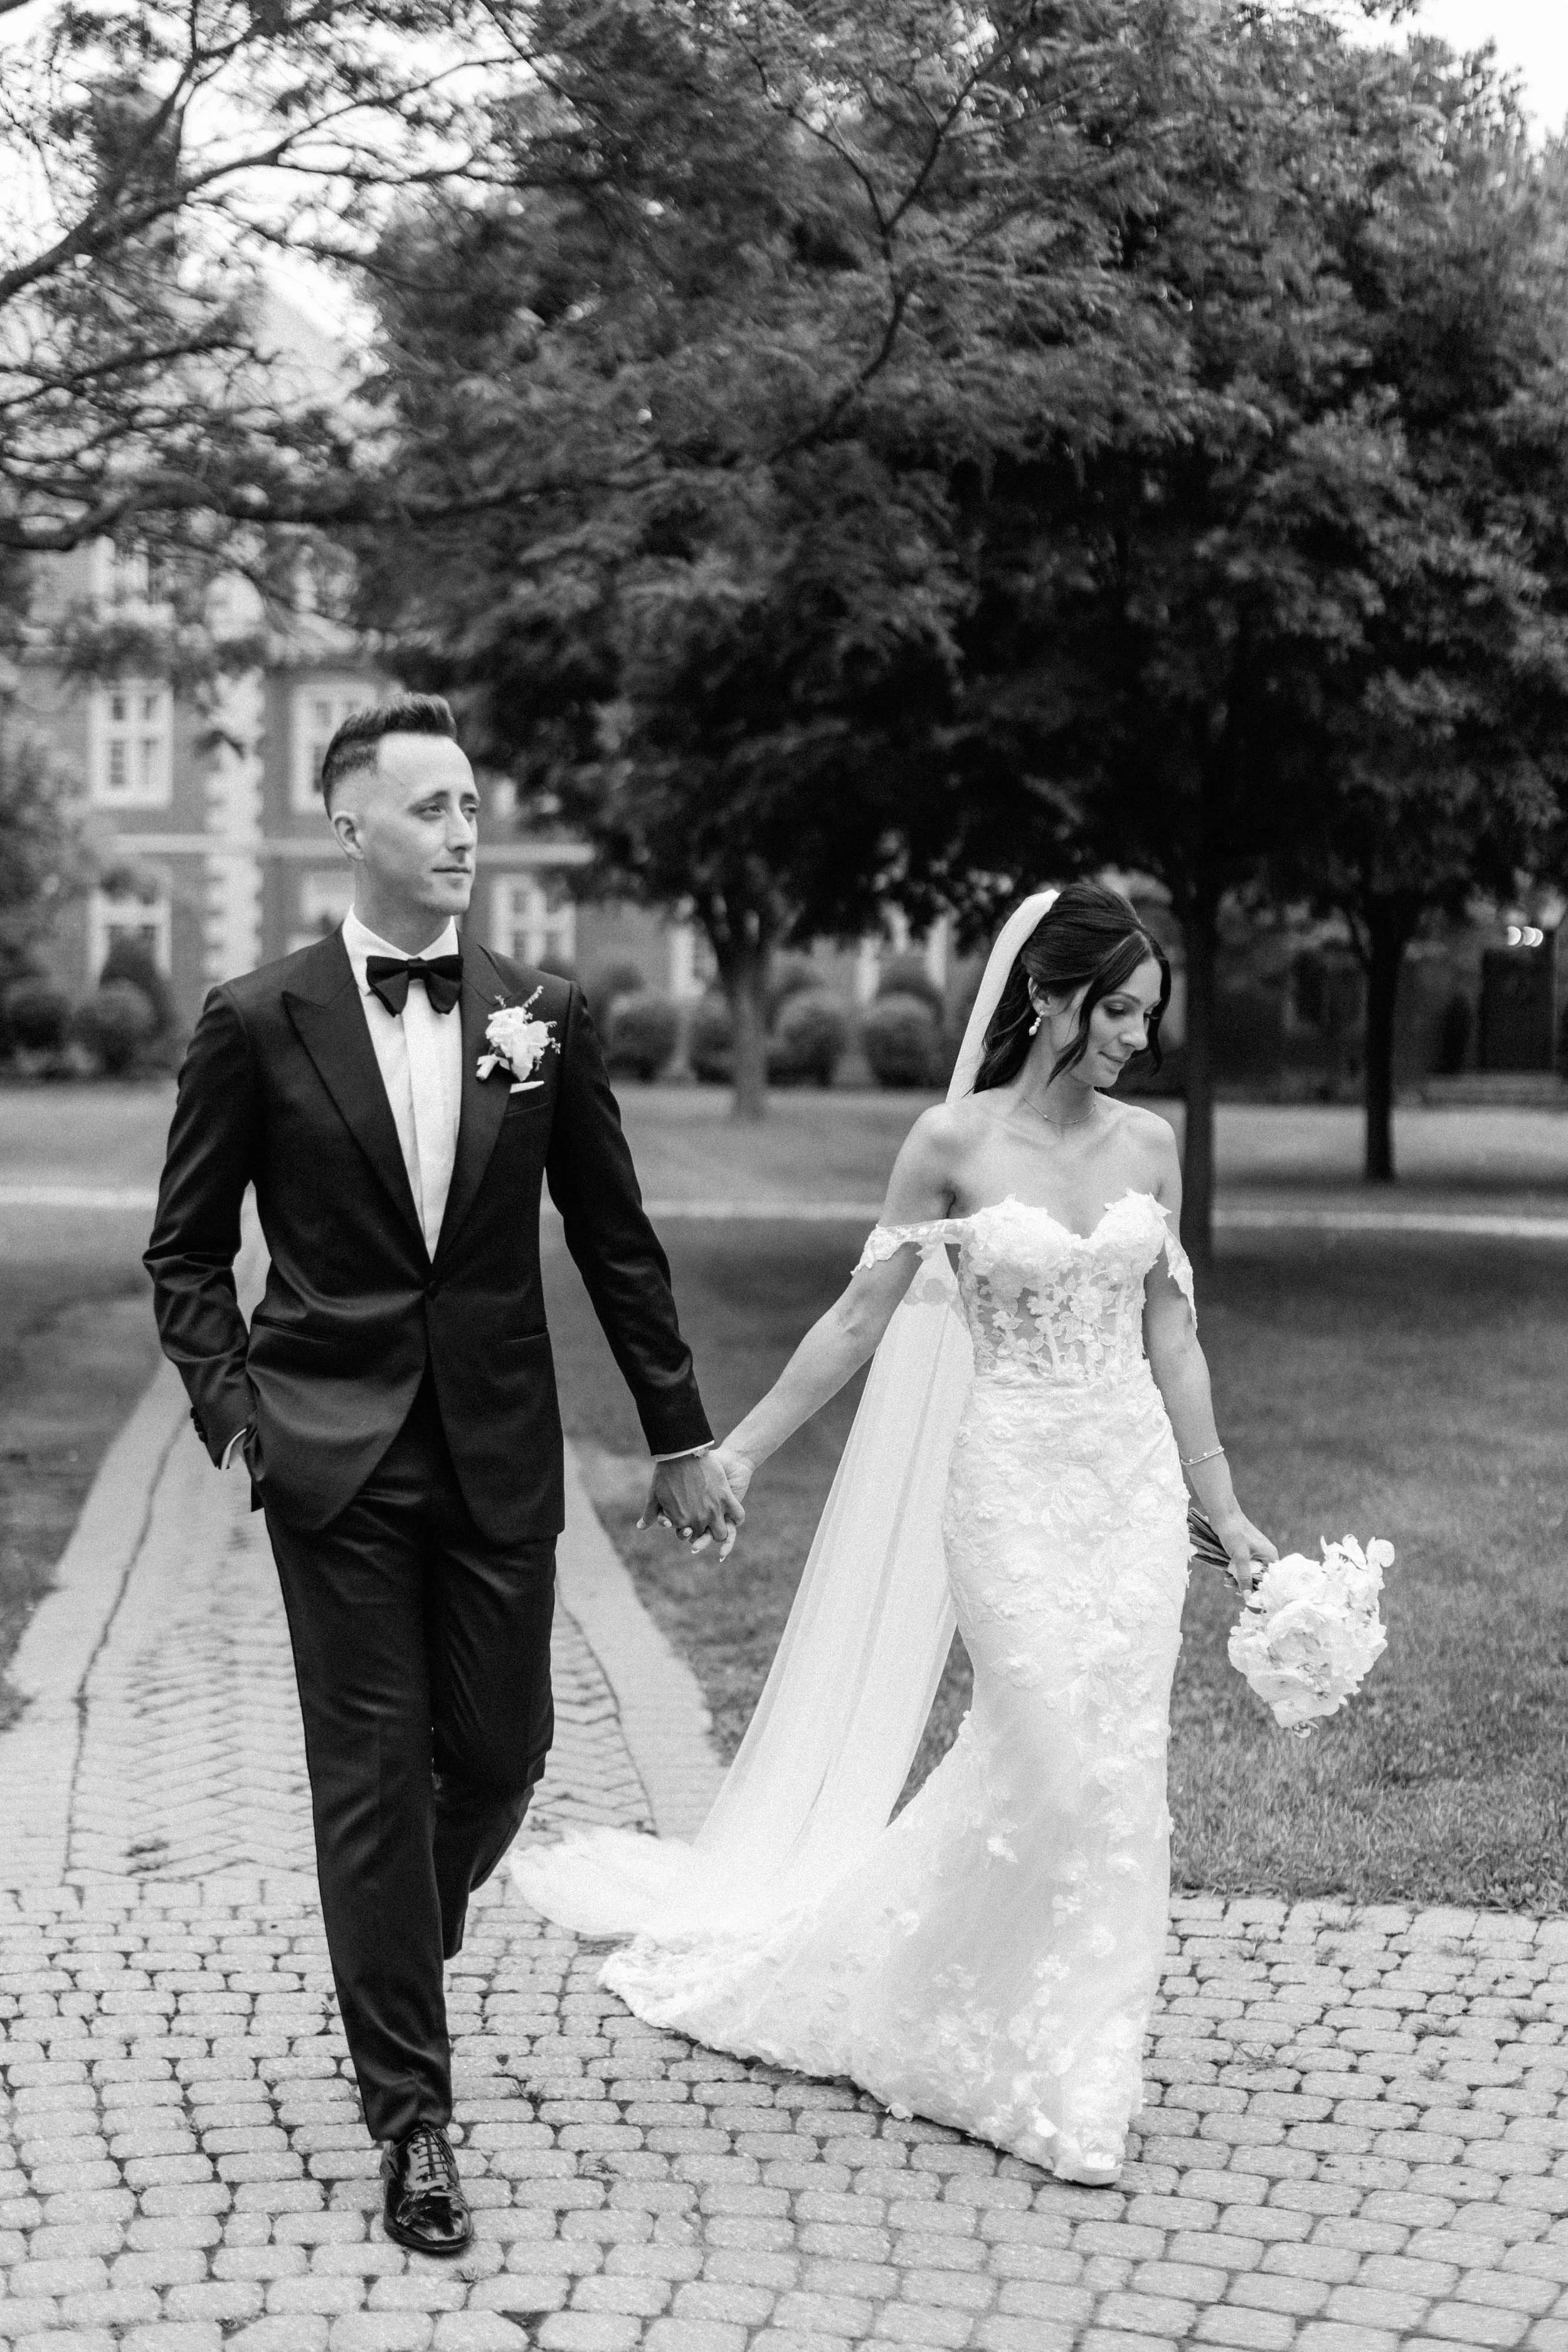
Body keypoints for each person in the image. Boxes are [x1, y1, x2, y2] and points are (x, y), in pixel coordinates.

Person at [516, 880, 1276, 2186]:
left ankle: (1075, 2060)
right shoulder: (949, 1144)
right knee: (1049, 1756)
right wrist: (737, 1451)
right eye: (1118, 1011)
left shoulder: (1151, 1146)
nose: (1137, 1038)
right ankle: (925, 1999)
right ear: (1049, 998)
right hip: (1011, 1490)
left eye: (1149, 1016)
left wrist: (1226, 1509)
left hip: (1131, 1494)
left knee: (1114, 1775)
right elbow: (858, 1318)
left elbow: (1173, 1335)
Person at [144, 694, 741, 2255]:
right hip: (328, 1458)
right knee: (365, 1779)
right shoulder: (255, 1020)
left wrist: (677, 1431)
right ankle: (413, 2122)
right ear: (349, 825)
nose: (465, 832)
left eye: (472, 803)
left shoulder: (542, 1016)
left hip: (495, 1448)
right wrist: (236, 1416)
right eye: (431, 808)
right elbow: (185, 1252)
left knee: (498, 1751)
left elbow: (615, 1241)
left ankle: (399, 1937)